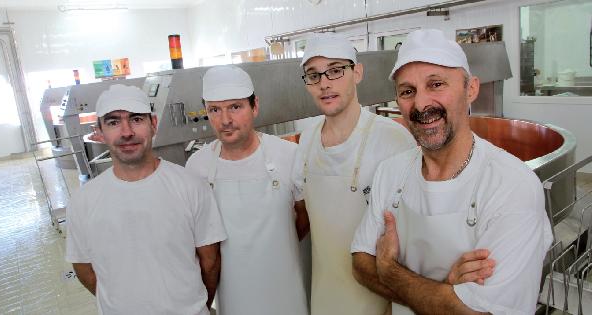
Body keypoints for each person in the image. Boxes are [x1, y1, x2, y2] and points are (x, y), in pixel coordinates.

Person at [351, 29, 553, 314]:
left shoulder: (512, 184)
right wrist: (445, 292)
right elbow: (360, 262)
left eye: (436, 84)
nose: (421, 105)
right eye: (408, 91)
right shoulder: (391, 172)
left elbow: (483, 312)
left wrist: (388, 270)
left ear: (470, 89)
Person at [65, 84, 226, 315]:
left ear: (153, 124)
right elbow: (83, 268)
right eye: (113, 122)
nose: (126, 131)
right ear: (99, 131)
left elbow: (210, 263)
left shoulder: (191, 187)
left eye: (136, 119)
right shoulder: (83, 202)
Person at [291, 33, 416, 315]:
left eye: (335, 70)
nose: (324, 83)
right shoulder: (307, 140)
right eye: (313, 75)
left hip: (378, 300)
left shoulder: (393, 140)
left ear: (357, 72)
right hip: (325, 295)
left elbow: (411, 239)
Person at [186, 65, 309, 315]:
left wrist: (275, 247)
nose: (225, 120)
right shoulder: (198, 166)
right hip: (232, 294)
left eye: (235, 107)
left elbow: (305, 217)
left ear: (255, 106)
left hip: (285, 286)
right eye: (215, 110)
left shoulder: (288, 155)